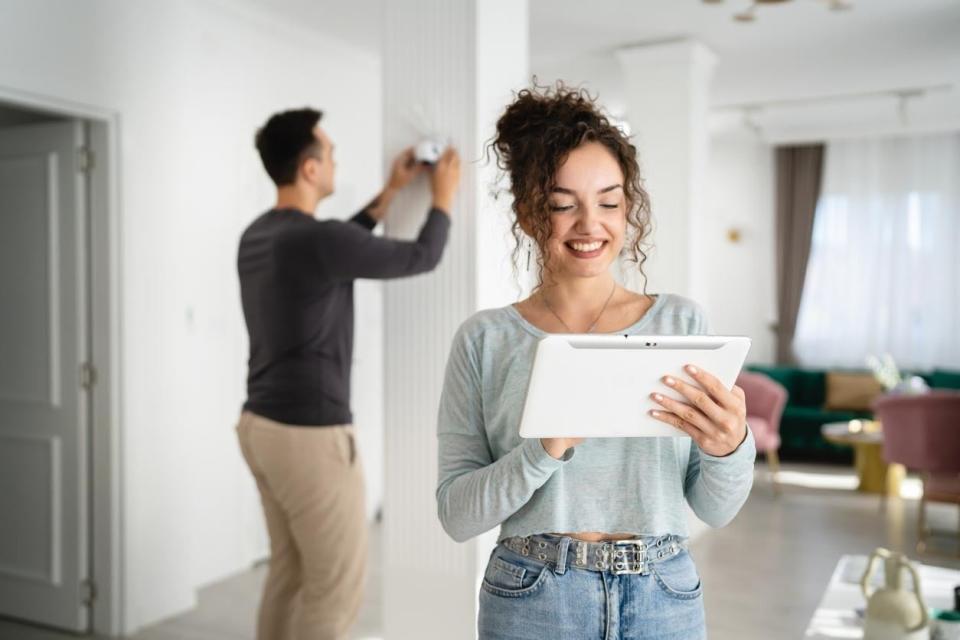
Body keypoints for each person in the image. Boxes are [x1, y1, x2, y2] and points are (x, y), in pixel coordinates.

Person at [435, 85, 755, 639]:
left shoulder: (681, 325)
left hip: (664, 596)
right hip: (531, 597)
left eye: (608, 202)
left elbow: (715, 508)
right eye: (563, 204)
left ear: (628, 208)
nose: (590, 224)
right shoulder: (485, 339)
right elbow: (457, 515)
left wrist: (730, 447)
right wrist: (545, 449)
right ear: (529, 214)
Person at [237, 107, 460, 640]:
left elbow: (340, 243)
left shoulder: (261, 235)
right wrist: (443, 198)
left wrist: (390, 191)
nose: (335, 161)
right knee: (333, 593)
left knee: (288, 574)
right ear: (311, 170)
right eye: (330, 155)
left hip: (259, 428)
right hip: (310, 438)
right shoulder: (319, 241)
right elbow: (422, 257)